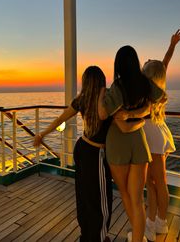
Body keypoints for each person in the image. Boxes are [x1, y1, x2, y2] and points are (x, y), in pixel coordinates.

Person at [34, 65, 145, 242]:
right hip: (95, 155)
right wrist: (142, 122)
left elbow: (60, 118)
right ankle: (98, 238)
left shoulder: (82, 99)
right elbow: (125, 127)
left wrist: (42, 134)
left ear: (85, 82)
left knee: (84, 196)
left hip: (81, 148)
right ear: (102, 81)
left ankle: (87, 235)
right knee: (101, 199)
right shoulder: (109, 101)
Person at [98, 46, 164, 242]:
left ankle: (137, 236)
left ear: (118, 64)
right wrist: (139, 113)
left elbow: (103, 114)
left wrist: (101, 94)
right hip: (138, 141)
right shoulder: (145, 84)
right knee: (137, 199)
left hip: (118, 142)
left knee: (126, 194)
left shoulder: (118, 87)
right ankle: (138, 238)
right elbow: (160, 98)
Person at [142, 29, 180, 241]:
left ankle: (161, 223)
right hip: (156, 133)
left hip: (152, 137)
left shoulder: (146, 90)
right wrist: (172, 46)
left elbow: (162, 65)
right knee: (153, 183)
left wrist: (172, 46)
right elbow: (164, 65)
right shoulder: (156, 88)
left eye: (146, 63)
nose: (146, 60)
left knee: (157, 183)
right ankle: (154, 222)